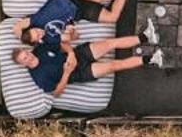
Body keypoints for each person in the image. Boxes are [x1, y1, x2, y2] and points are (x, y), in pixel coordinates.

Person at [11, 34, 157, 99]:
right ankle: (150, 59)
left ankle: (145, 37)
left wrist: (71, 54)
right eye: (25, 58)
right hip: (79, 73)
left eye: (27, 53)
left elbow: (62, 45)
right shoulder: (38, 77)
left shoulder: (39, 50)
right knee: (113, 65)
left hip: (78, 55)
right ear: (23, 64)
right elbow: (56, 93)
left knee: (110, 43)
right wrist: (67, 73)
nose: (29, 56)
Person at [17, 0, 132, 53]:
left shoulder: (35, 20)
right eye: (38, 36)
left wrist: (20, 37)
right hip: (79, 12)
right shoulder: (49, 39)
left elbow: (17, 27)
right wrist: (70, 31)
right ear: (38, 41)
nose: (39, 32)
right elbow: (73, 37)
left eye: (36, 30)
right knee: (112, 18)